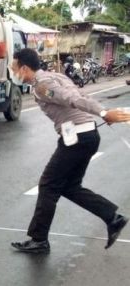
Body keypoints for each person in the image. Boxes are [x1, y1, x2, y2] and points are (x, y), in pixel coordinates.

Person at [9, 48, 130, 253]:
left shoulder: (43, 85)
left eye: (14, 69)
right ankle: (112, 217)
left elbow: (69, 98)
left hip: (77, 138)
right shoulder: (55, 75)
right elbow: (79, 94)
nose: (14, 74)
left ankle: (39, 240)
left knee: (47, 185)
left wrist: (103, 112)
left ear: (25, 68)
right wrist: (98, 115)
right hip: (87, 135)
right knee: (69, 186)